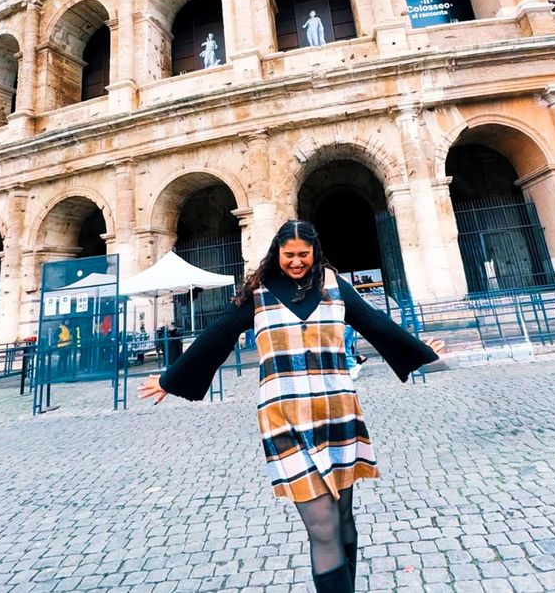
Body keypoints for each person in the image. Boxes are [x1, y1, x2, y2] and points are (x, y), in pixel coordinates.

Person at [138, 219, 438, 591]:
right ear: (276, 253)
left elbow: (375, 323)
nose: (296, 262)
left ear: (315, 253)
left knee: (343, 517)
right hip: (284, 420)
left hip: (338, 411)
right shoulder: (260, 293)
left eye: (303, 255)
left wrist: (421, 352)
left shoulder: (333, 286)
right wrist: (170, 379)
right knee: (323, 526)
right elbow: (218, 335)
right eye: (289, 255)